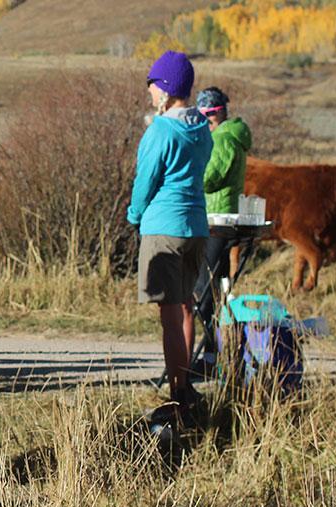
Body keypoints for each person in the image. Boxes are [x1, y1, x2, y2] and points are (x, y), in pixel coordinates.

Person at [126, 50, 212, 409]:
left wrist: (134, 215)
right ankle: (186, 385)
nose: (149, 93)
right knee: (186, 307)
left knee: (169, 317)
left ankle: (178, 392)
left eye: (152, 86)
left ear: (164, 89)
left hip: (164, 226)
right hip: (196, 227)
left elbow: (145, 181)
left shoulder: (161, 130)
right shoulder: (202, 129)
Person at [192, 86, 251, 372]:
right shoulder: (226, 137)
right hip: (217, 217)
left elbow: (209, 178)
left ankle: (214, 355)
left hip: (217, 219)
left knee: (205, 289)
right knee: (214, 289)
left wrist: (188, 170)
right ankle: (217, 354)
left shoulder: (225, 140)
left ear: (213, 114)